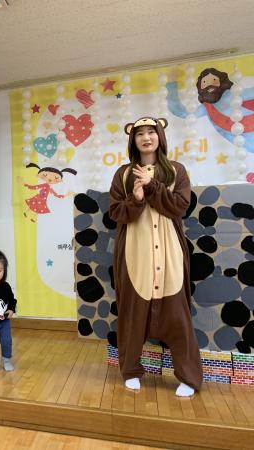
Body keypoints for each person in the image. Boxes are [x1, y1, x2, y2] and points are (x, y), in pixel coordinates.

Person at [109, 117, 203, 397]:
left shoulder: (176, 170)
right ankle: (130, 371)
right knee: (132, 314)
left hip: (170, 250)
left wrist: (152, 186)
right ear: (133, 139)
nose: (146, 138)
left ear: (160, 136)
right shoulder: (124, 174)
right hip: (134, 253)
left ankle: (188, 377)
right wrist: (136, 199)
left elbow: (179, 206)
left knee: (178, 316)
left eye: (151, 132)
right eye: (140, 134)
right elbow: (116, 213)